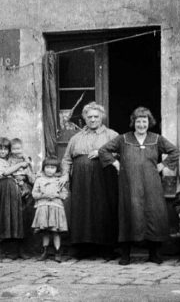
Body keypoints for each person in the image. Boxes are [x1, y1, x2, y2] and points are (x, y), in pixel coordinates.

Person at [98, 107, 180, 265]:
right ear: (133, 122)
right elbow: (103, 151)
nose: (141, 124)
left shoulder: (157, 139)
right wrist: (115, 163)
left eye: (144, 121)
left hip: (152, 183)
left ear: (149, 123)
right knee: (129, 212)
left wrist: (163, 165)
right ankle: (125, 255)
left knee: (154, 214)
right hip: (129, 183)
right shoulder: (123, 139)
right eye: (138, 121)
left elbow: (174, 151)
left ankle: (154, 253)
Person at [61, 101, 120, 258]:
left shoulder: (112, 135)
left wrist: (102, 152)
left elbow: (121, 154)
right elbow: (67, 159)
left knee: (103, 209)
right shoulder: (76, 138)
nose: (93, 120)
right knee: (82, 210)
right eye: (89, 117)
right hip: (80, 179)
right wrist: (66, 174)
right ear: (84, 118)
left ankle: (106, 249)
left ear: (102, 117)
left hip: (104, 177)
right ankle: (83, 248)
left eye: (96, 116)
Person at [0, 137, 27, 261]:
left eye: (5, 149)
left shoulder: (11, 160)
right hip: (2, 190)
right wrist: (20, 164)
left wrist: (23, 160)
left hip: (14, 190)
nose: (2, 152)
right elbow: (5, 173)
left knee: (16, 217)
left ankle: (17, 250)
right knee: (2, 217)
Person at [31, 159, 69, 262]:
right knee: (45, 232)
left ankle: (57, 252)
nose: (49, 170)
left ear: (57, 169)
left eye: (52, 168)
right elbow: (34, 194)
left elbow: (65, 194)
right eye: (47, 167)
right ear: (43, 168)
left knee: (55, 231)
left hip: (56, 207)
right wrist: (43, 195)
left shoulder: (59, 180)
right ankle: (45, 251)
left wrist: (57, 195)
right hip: (43, 207)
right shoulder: (39, 180)